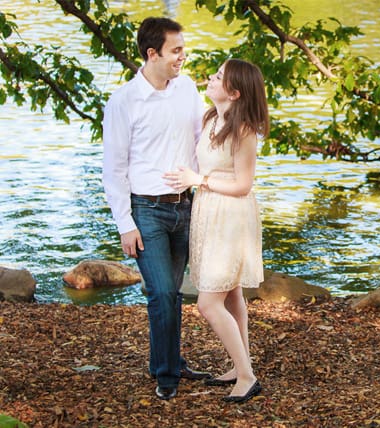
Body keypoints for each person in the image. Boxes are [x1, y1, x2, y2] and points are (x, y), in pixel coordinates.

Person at [102, 16, 210, 401]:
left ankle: (170, 361)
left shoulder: (187, 89)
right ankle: (167, 376)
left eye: (182, 48)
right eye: (176, 50)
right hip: (146, 210)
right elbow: (113, 169)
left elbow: (202, 141)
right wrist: (124, 225)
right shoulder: (123, 101)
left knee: (174, 291)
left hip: (185, 207)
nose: (183, 56)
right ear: (153, 54)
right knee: (161, 291)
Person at [163, 58, 268, 403]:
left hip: (231, 217)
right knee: (233, 293)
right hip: (209, 211)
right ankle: (240, 368)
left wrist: (199, 181)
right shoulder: (211, 118)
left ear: (235, 92)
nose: (211, 77)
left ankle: (248, 377)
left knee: (209, 303)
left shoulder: (245, 130)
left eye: (219, 76)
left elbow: (243, 184)